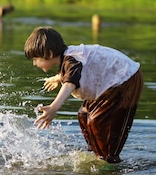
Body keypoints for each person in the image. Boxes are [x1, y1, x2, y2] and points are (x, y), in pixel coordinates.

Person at [24, 27, 143, 163]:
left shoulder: (71, 60)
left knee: (98, 120)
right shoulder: (68, 59)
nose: (34, 63)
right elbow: (74, 71)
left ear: (49, 54)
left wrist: (53, 108)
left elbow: (70, 83)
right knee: (84, 115)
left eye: (35, 59)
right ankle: (95, 153)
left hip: (126, 79)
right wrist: (58, 78)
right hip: (111, 84)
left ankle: (109, 160)